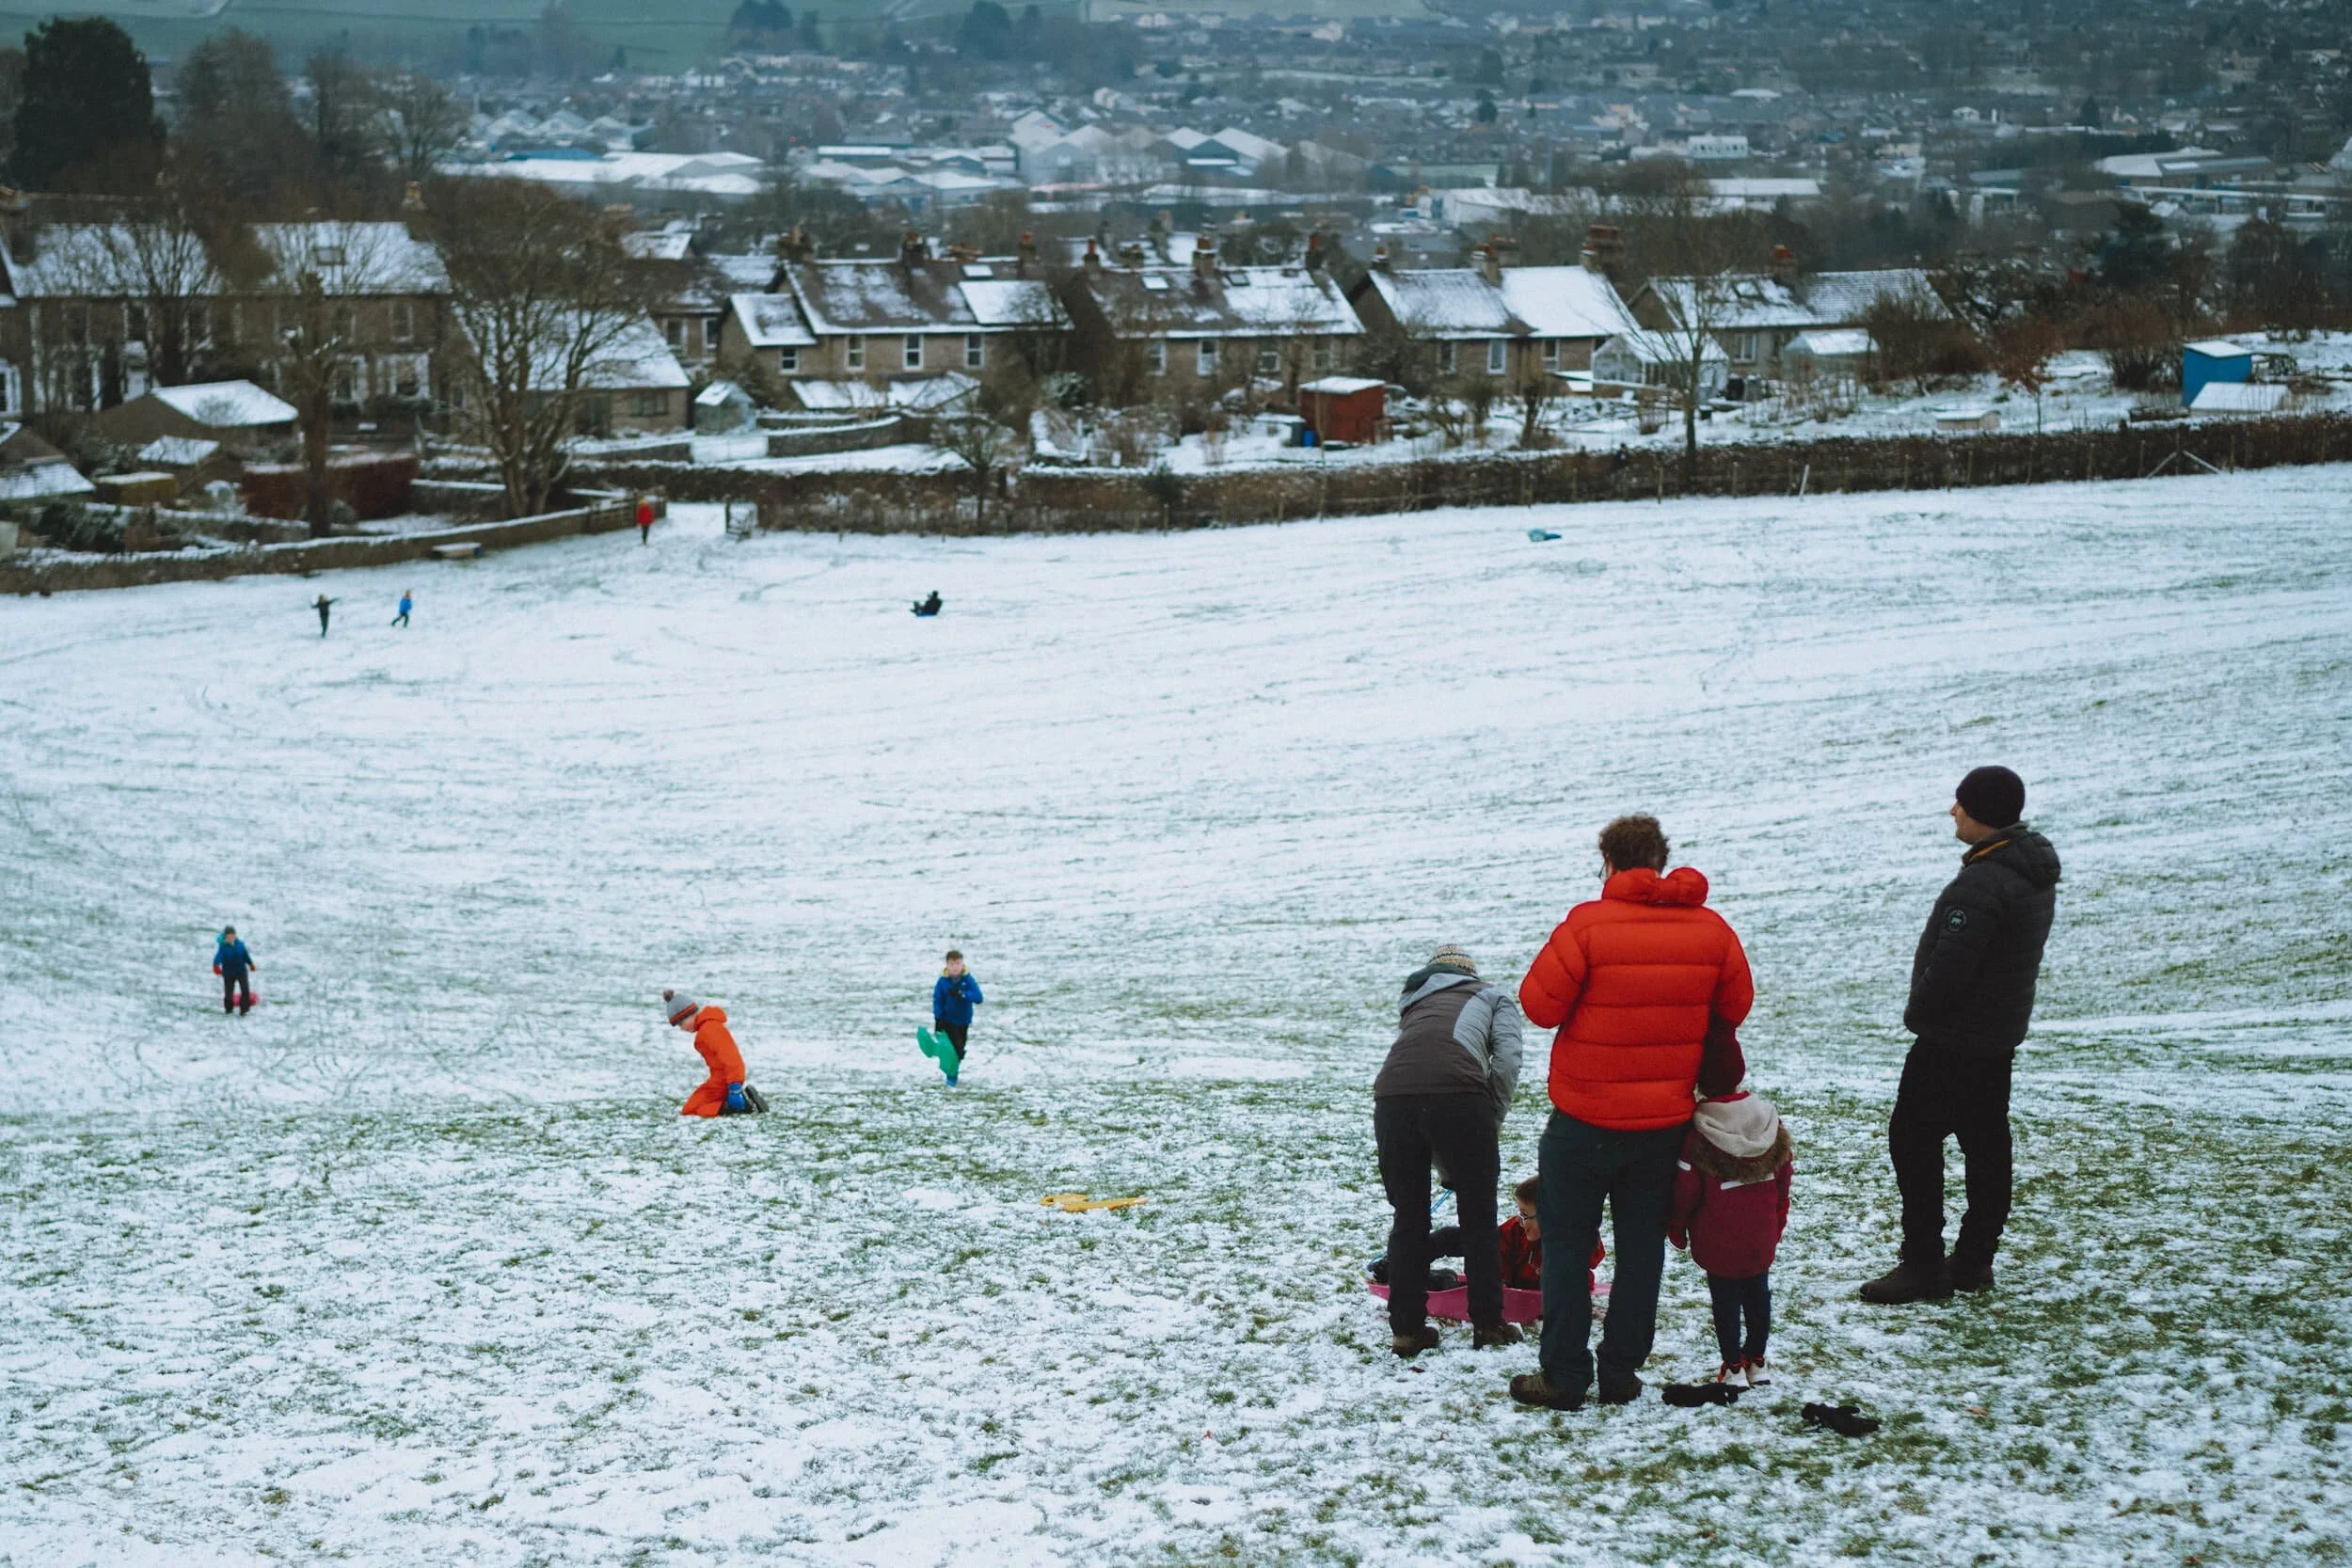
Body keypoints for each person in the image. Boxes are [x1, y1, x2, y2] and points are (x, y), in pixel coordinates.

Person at [1509, 816, 1754, 1411]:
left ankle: (1565, 1375)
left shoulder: (1588, 926)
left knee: (1566, 1248)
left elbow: (1538, 1006)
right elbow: (1736, 1006)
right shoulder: (1711, 930)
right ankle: (1620, 1371)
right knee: (1642, 1250)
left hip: (1582, 1121)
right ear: (1661, 860)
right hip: (1662, 1125)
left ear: (1610, 862)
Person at [1862, 767, 2059, 1304]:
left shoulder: (1984, 881)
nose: (1953, 811)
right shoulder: (2027, 871)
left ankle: (1923, 1263)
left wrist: (1919, 1012)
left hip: (1954, 1040)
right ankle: (1974, 1260)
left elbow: (1951, 969)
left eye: (1961, 803)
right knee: (1987, 1144)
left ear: (1981, 811)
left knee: (1913, 1140)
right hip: (1996, 1038)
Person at [1374, 943, 1524, 1358]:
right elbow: (1508, 1060)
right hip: (1460, 1097)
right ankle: (1489, 1324)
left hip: (1391, 1099)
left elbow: (1421, 1085)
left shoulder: (1413, 1004)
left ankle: (1406, 1330)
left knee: (1409, 1217)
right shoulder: (1493, 996)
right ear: (1469, 974)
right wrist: (1487, 1122)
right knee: (1478, 1217)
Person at [1669, 1079, 1793, 1388]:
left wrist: (1677, 1227)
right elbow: (1783, 1179)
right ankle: (1757, 1360)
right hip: (1760, 1234)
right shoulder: (1769, 1125)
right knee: (1758, 1295)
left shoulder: (1700, 1135)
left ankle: (1733, 1366)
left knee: (1725, 1300)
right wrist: (1776, 1222)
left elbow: (1686, 1191)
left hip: (1718, 1237)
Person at [664, 990, 760, 1117]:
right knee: (690, 1108)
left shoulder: (709, 1029)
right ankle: (735, 1104)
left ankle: (739, 1107)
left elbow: (731, 1057)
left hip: (724, 1082)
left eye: (681, 1023)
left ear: (690, 1015)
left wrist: (734, 1087)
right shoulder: (707, 1028)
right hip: (721, 1081)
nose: (682, 1029)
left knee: (690, 1110)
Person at [930, 951, 983, 1085]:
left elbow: (979, 998)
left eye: (958, 963)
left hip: (963, 1021)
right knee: (955, 1048)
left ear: (962, 964)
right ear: (947, 965)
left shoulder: (968, 980)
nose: (955, 967)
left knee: (960, 1051)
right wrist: (938, 1019)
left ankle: (952, 1074)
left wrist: (963, 994)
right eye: (952, 964)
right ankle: (951, 1078)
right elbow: (938, 1000)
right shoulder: (942, 982)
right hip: (948, 1020)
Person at [213, 927, 257, 1016]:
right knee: (228, 994)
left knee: (245, 991)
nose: (231, 937)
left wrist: (251, 964)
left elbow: (245, 955)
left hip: (241, 971)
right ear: (225, 937)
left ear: (235, 935)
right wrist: (216, 966)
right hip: (229, 973)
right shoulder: (223, 947)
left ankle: (244, 1011)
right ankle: (229, 1010)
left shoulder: (240, 944)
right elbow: (218, 957)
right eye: (228, 936)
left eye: (232, 935)